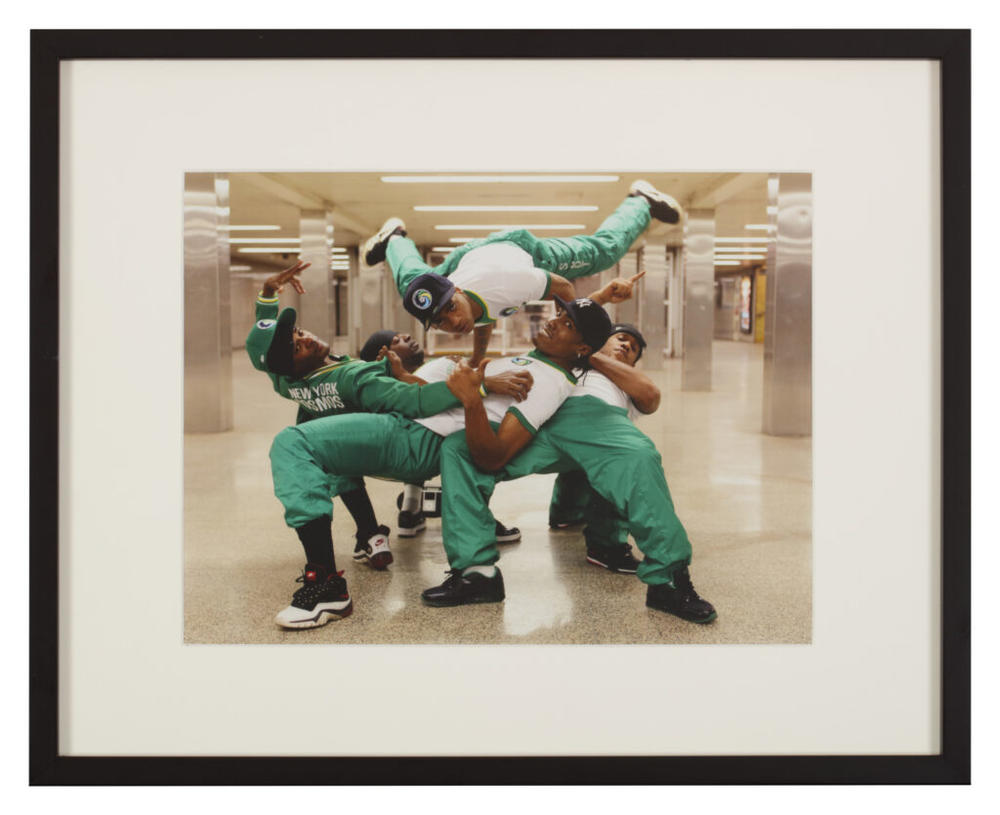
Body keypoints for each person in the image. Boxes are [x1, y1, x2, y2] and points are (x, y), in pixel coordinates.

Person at [267, 296, 613, 628]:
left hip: (416, 437)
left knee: (293, 443)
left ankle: (327, 584)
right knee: (305, 436)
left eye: (567, 324)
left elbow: (494, 453)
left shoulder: (549, 381)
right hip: (412, 422)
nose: (554, 321)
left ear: (582, 349)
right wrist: (411, 378)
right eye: (559, 314)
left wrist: (475, 392)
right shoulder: (534, 360)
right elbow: (457, 396)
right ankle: (355, 549)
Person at [434, 324, 717, 623]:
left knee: (638, 457)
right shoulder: (562, 359)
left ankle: (668, 581)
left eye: (632, 348)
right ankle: (476, 574)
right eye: (619, 338)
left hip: (594, 414)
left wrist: (590, 354)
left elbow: (650, 395)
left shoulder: (618, 379)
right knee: (459, 449)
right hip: (539, 415)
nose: (624, 345)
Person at [362, 179, 679, 363]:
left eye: (451, 310)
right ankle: (394, 239)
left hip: (522, 252)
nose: (453, 323)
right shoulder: (456, 298)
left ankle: (640, 201)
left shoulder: (508, 283)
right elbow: (482, 314)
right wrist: (476, 360)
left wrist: (564, 327)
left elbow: (563, 287)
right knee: (412, 288)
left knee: (603, 253)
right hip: (464, 263)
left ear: (458, 292)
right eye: (441, 321)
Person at [357, 330, 526, 543]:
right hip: (433, 446)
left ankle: (410, 508)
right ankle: (479, 523)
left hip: (404, 453)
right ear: (385, 358)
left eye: (402, 335)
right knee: (474, 450)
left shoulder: (388, 388)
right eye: (396, 341)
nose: (407, 337)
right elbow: (430, 395)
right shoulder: (431, 369)